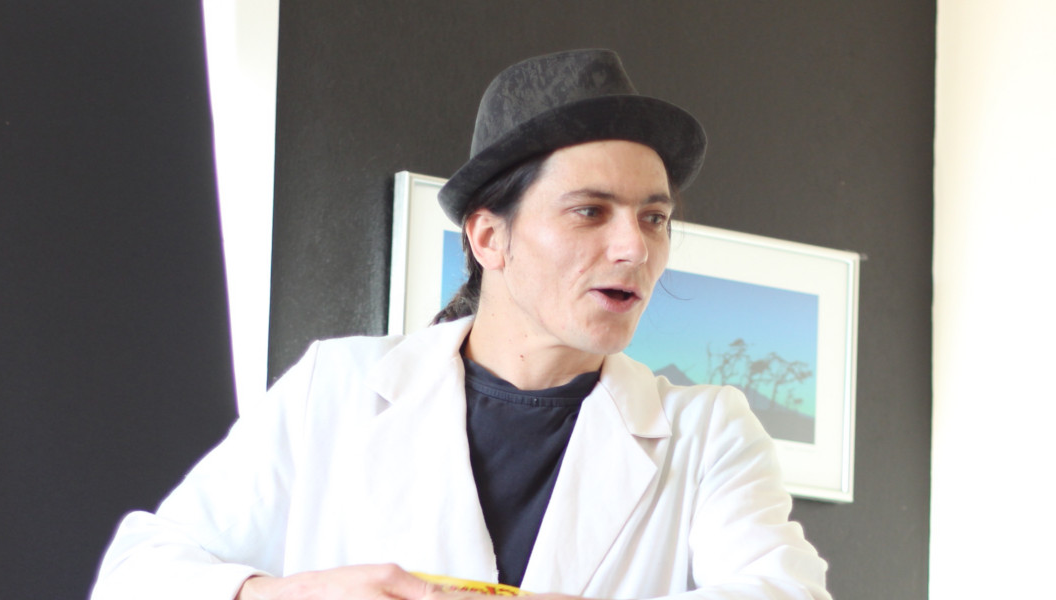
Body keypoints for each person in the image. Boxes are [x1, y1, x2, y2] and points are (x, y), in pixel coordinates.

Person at [90, 49, 831, 600]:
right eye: (589, 211)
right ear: (487, 237)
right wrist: (286, 595)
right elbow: (135, 577)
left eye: (654, 218)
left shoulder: (709, 433)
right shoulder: (336, 388)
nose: (634, 248)